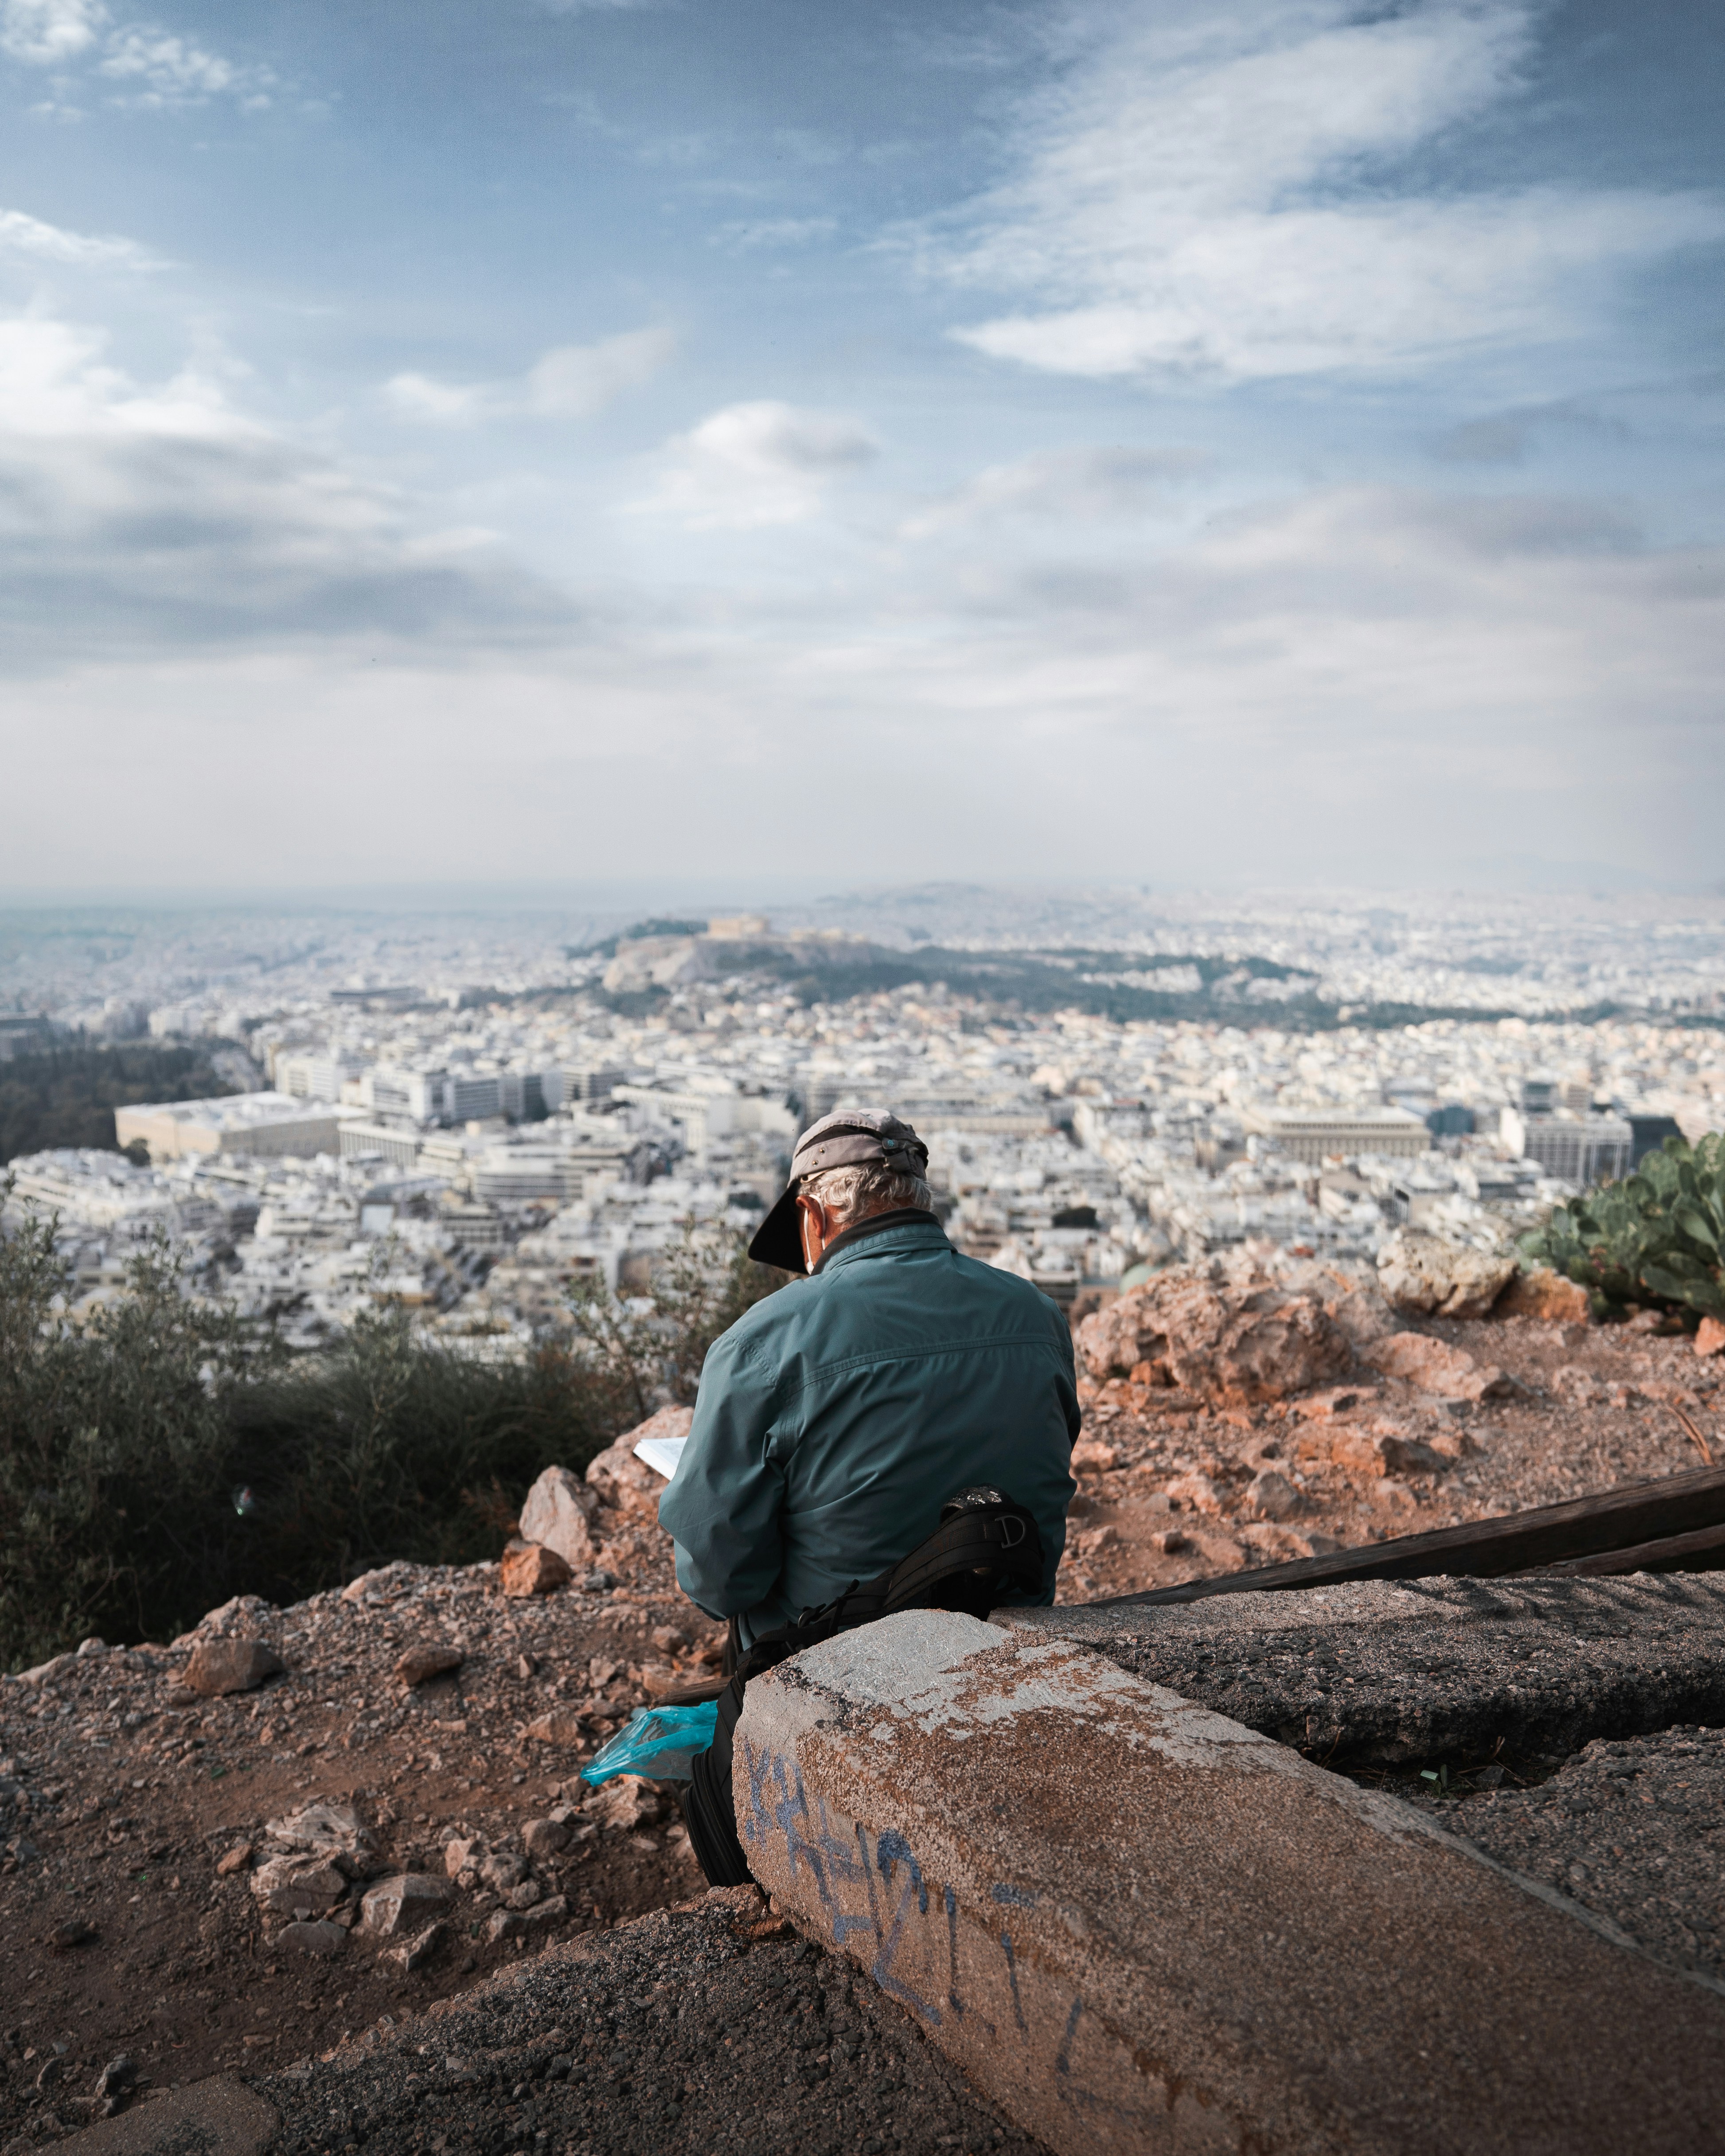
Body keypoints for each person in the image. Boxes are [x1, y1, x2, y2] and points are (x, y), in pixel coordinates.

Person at [658, 1109, 1081, 1657]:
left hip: (835, 1662)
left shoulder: (760, 1344)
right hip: (1009, 1645)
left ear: (811, 1214)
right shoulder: (1038, 1315)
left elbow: (718, 1584)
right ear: (918, 1199)